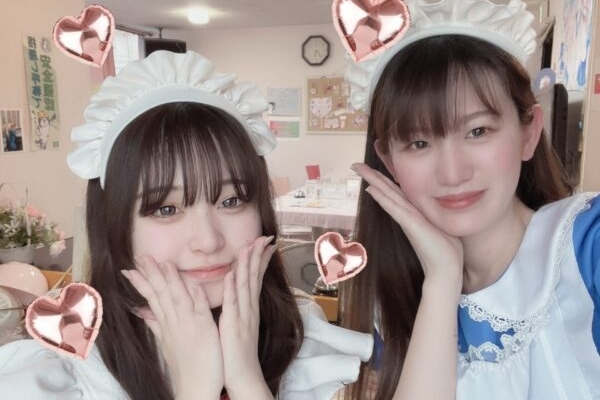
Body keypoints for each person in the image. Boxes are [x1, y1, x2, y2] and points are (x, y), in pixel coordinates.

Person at [0, 50, 372, 400]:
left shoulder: (300, 337)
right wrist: (197, 386)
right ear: (115, 227)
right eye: (166, 209)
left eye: (231, 201)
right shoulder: (70, 374)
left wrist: (246, 378)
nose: (208, 241)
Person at [336, 0, 600, 399]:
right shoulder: (391, 302)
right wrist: (443, 277)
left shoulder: (588, 248)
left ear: (529, 133)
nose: (453, 173)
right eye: (419, 143)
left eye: (478, 131)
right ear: (388, 162)